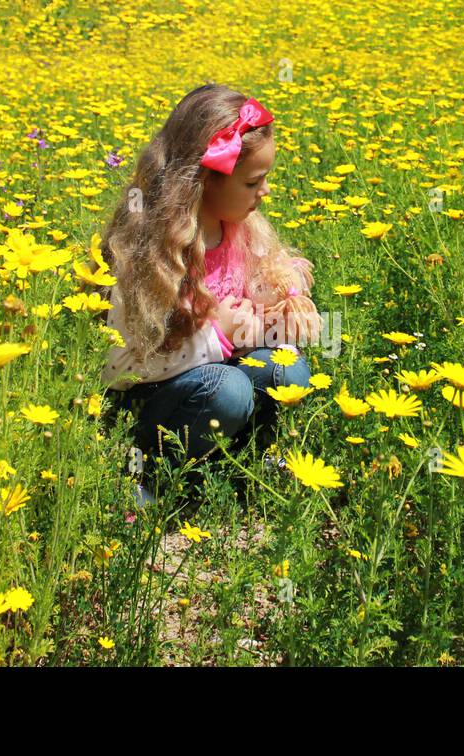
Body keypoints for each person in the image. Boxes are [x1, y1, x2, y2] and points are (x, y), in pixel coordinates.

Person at [93, 84, 318, 504]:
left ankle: (243, 460)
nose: (264, 192)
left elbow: (279, 271)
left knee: (286, 369)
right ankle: (149, 479)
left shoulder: (239, 228)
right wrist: (220, 335)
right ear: (203, 182)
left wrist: (279, 301)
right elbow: (119, 365)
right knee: (227, 389)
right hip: (150, 403)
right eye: (253, 182)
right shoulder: (147, 252)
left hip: (211, 395)